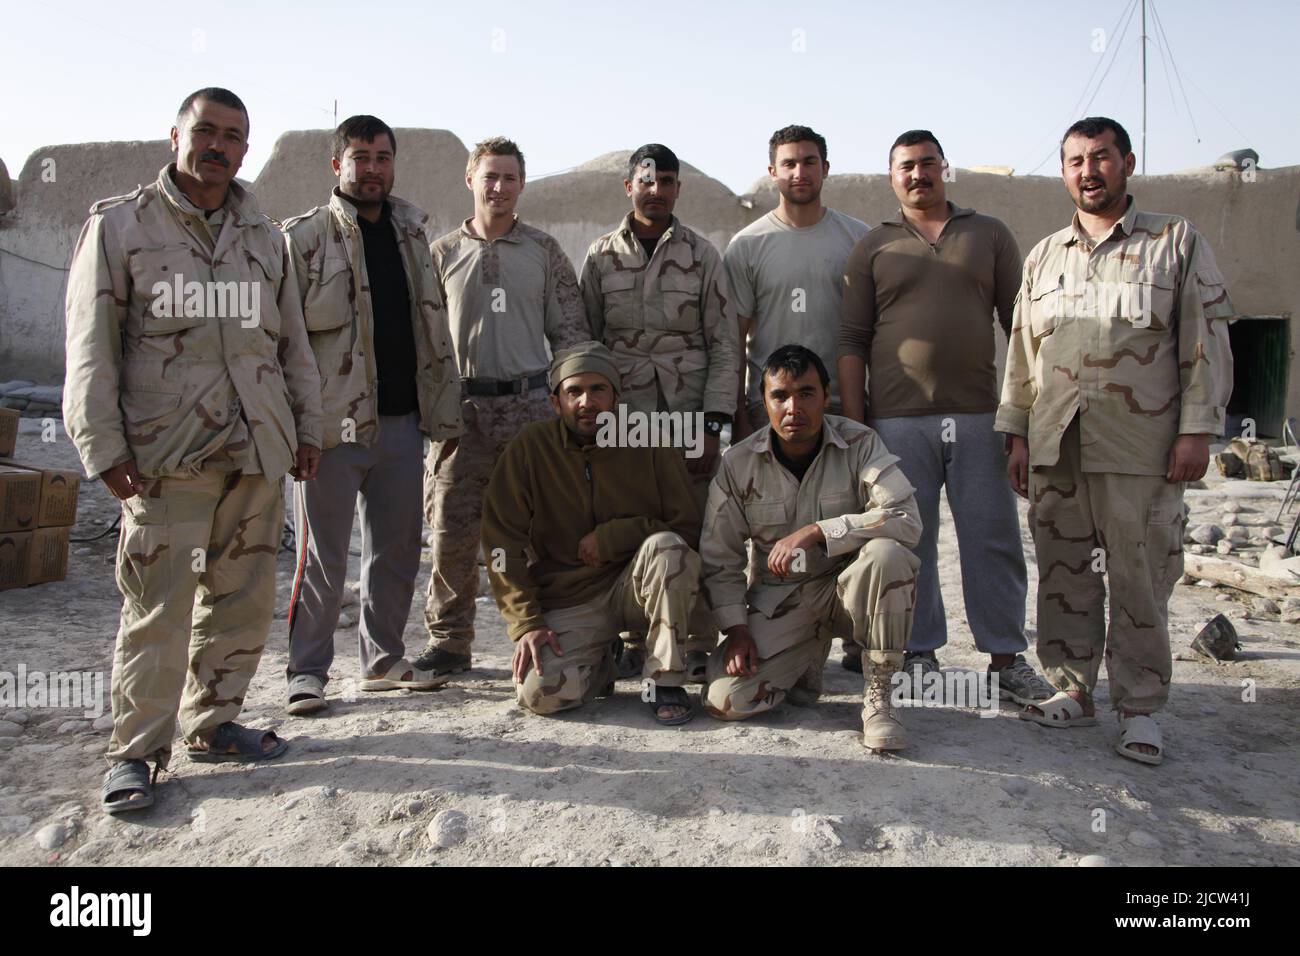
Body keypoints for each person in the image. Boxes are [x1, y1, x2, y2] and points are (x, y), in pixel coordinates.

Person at [63, 88, 323, 813]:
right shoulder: (121, 226)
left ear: (245, 150)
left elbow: (292, 342)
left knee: (241, 599)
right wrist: (100, 442)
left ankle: (213, 721)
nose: (218, 145)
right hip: (165, 455)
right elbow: (90, 345)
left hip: (255, 449)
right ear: (174, 137)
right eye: (205, 130)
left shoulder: (264, 236)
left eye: (233, 136)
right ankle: (135, 752)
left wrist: (308, 429)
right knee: (159, 607)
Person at [998, 116, 1235, 765]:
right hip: (1057, 447)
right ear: (1064, 171)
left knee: (1140, 577)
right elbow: (1022, 354)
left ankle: (1141, 708)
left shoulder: (1174, 242)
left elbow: (1205, 341)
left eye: (1101, 157)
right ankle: (1072, 690)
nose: (1088, 171)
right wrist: (1016, 434)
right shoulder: (1045, 256)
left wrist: (1197, 429)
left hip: (1141, 448)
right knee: (1064, 573)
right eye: (1075, 161)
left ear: (1127, 163)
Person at [837, 129, 1053, 706]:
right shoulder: (874, 246)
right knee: (913, 540)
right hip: (896, 420)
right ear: (891, 177)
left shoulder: (988, 234)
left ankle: (1006, 658)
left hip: (980, 415)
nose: (918, 175)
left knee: (993, 535)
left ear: (945, 168)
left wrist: (1021, 418)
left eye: (928, 163)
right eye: (906, 166)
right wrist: (858, 428)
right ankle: (919, 652)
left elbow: (1021, 329)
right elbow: (852, 340)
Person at [281, 115, 463, 714]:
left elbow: (432, 331)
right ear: (338, 165)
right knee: (323, 557)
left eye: (383, 158)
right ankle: (307, 672)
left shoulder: (413, 235)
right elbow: (285, 341)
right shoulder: (305, 239)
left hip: (402, 422)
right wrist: (299, 425)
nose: (373, 169)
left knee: (397, 550)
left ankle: (383, 660)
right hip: (332, 428)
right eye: (361, 158)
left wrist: (441, 413)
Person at [416, 137, 590, 679]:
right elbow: (423, 340)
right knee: (452, 530)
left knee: (542, 529)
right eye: (490, 176)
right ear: (471, 180)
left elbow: (571, 335)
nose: (499, 187)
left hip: (530, 408)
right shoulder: (441, 254)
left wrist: (570, 407)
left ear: (522, 184)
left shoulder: (544, 251)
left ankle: (554, 631)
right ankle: (450, 641)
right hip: (461, 412)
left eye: (510, 178)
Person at [700, 345, 922, 750]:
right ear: (764, 401)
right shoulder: (739, 463)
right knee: (726, 700)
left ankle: (882, 695)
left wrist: (820, 530)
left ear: (825, 395)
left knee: (887, 555)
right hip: (784, 598)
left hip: (852, 592)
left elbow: (906, 518)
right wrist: (736, 629)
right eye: (780, 396)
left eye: (805, 393)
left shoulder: (860, 444)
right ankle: (805, 662)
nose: (793, 408)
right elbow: (720, 557)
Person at [579, 143, 739, 679]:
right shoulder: (600, 257)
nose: (656, 190)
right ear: (629, 186)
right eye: (646, 181)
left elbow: (725, 345)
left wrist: (714, 425)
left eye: (666, 181)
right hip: (624, 419)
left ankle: (697, 641)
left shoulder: (702, 256)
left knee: (697, 524)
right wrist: (592, 420)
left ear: (677, 188)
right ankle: (634, 636)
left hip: (687, 415)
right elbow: (587, 343)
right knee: (625, 521)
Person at [480, 342, 703, 724]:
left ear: (617, 397)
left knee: (670, 549)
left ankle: (663, 681)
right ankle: (602, 664)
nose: (587, 402)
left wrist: (616, 537)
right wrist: (527, 622)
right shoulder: (530, 448)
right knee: (542, 694)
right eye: (574, 391)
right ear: (556, 402)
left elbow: (687, 529)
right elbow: (501, 544)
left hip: (637, 587)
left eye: (598, 389)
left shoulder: (649, 441)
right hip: (571, 597)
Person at [724, 124, 869, 440]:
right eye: (789, 163)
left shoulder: (859, 239)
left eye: (809, 162)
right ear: (772, 172)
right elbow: (733, 340)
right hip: (770, 410)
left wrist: (859, 420)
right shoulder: (747, 246)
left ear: (825, 168)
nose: (799, 172)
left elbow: (872, 333)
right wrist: (739, 419)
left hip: (840, 409)